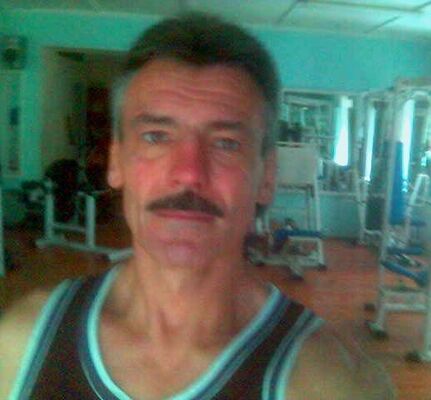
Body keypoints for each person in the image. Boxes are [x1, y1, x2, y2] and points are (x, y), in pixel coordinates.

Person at [0, 13, 394, 399]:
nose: (189, 173)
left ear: (267, 177)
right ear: (116, 161)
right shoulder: (22, 343)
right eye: (156, 136)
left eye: (226, 143)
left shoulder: (330, 381)